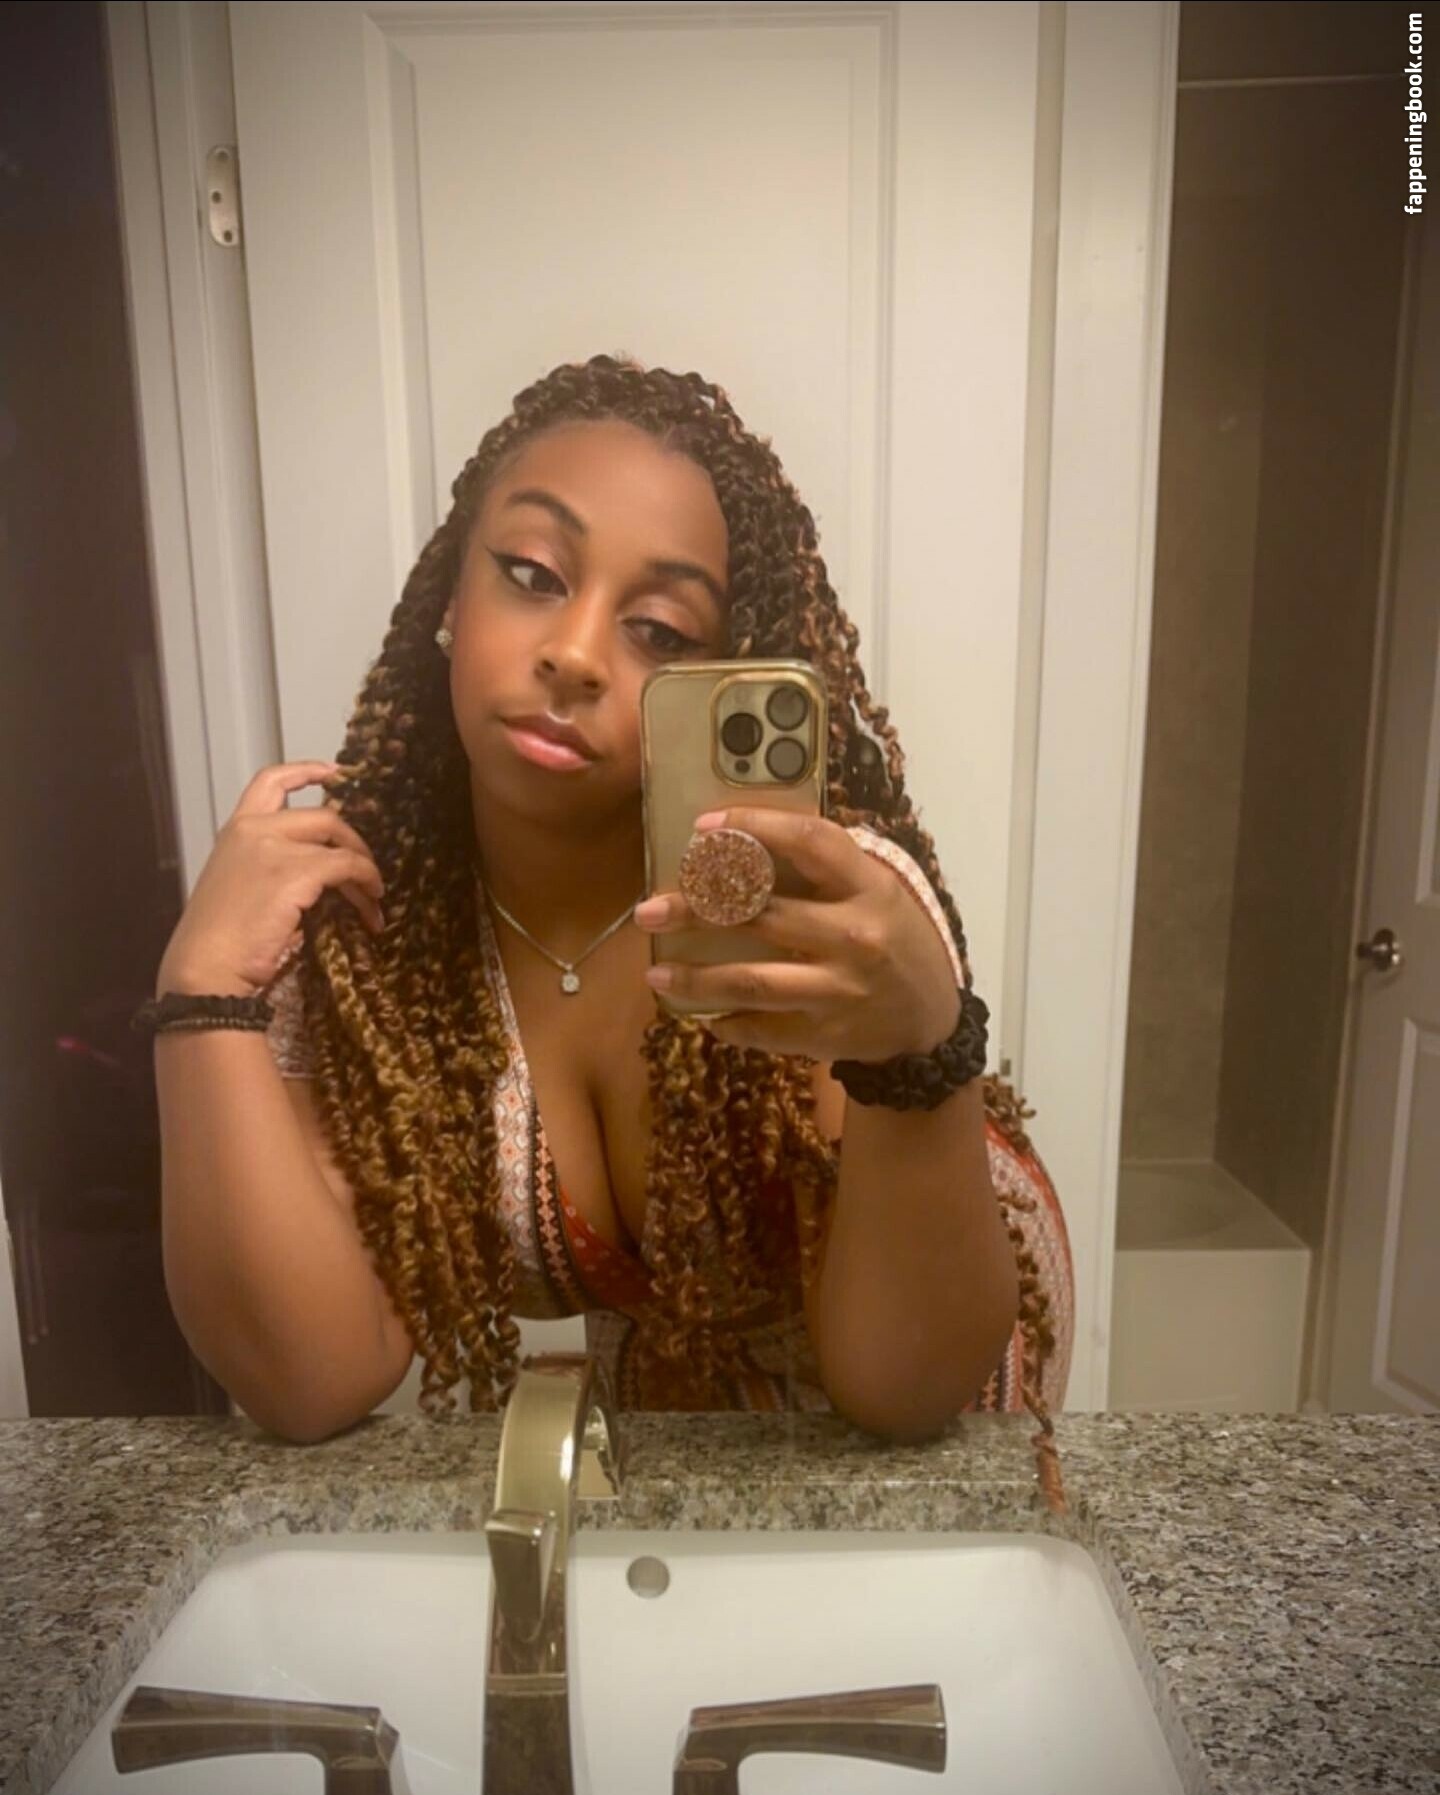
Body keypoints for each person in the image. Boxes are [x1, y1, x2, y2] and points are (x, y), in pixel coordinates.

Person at [142, 354, 1073, 1507]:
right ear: (450, 598)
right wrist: (202, 993)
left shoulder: (813, 903)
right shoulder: (377, 926)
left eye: (661, 632)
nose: (576, 655)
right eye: (532, 573)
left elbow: (906, 1386)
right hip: (674, 1361)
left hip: (939, 1358)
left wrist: (917, 1048)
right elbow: (311, 1375)